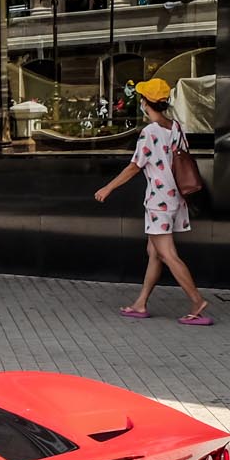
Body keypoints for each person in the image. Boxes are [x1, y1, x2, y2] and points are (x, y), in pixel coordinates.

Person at [93, 78, 213, 325]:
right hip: (176, 199)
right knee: (155, 252)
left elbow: (134, 167)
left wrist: (108, 187)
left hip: (159, 202)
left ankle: (196, 301)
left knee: (167, 254)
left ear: (146, 102)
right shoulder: (175, 127)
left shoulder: (149, 133)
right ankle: (140, 304)